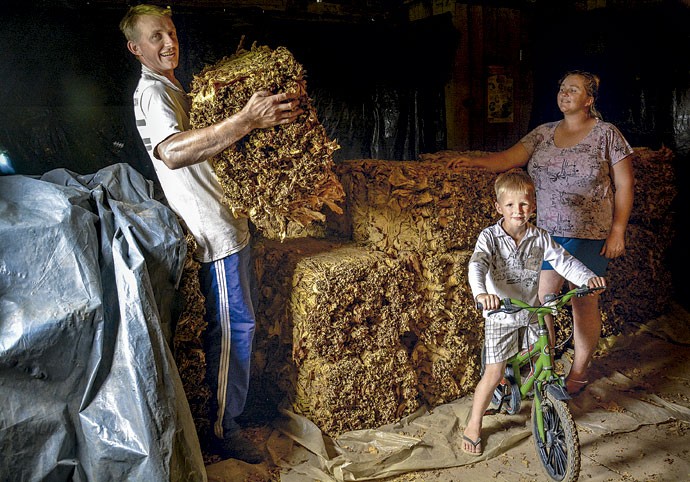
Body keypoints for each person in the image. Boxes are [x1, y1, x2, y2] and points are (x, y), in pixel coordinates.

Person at [119, 4, 304, 464]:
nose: (168, 42)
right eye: (155, 37)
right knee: (233, 330)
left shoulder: (176, 87)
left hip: (232, 225)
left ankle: (233, 414)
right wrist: (247, 120)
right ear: (135, 48)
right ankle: (226, 427)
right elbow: (173, 152)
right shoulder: (153, 95)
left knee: (242, 325)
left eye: (171, 32)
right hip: (214, 235)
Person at [426, 70, 634, 396]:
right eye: (562, 88)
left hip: (589, 234)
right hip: (547, 235)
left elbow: (624, 185)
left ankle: (579, 371)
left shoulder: (607, 135)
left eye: (573, 90)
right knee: (542, 301)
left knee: (583, 302)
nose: (564, 93)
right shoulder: (542, 133)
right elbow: (508, 159)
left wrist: (618, 230)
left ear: (589, 99)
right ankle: (546, 364)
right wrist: (471, 163)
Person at [462, 169, 606, 456]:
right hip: (501, 314)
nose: (519, 210)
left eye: (525, 204)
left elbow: (563, 262)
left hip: (531, 311)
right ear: (498, 207)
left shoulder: (540, 237)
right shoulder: (489, 238)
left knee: (545, 352)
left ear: (534, 206)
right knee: (494, 372)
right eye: (511, 205)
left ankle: (544, 397)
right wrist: (481, 293)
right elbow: (476, 265)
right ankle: (473, 424)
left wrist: (587, 278)